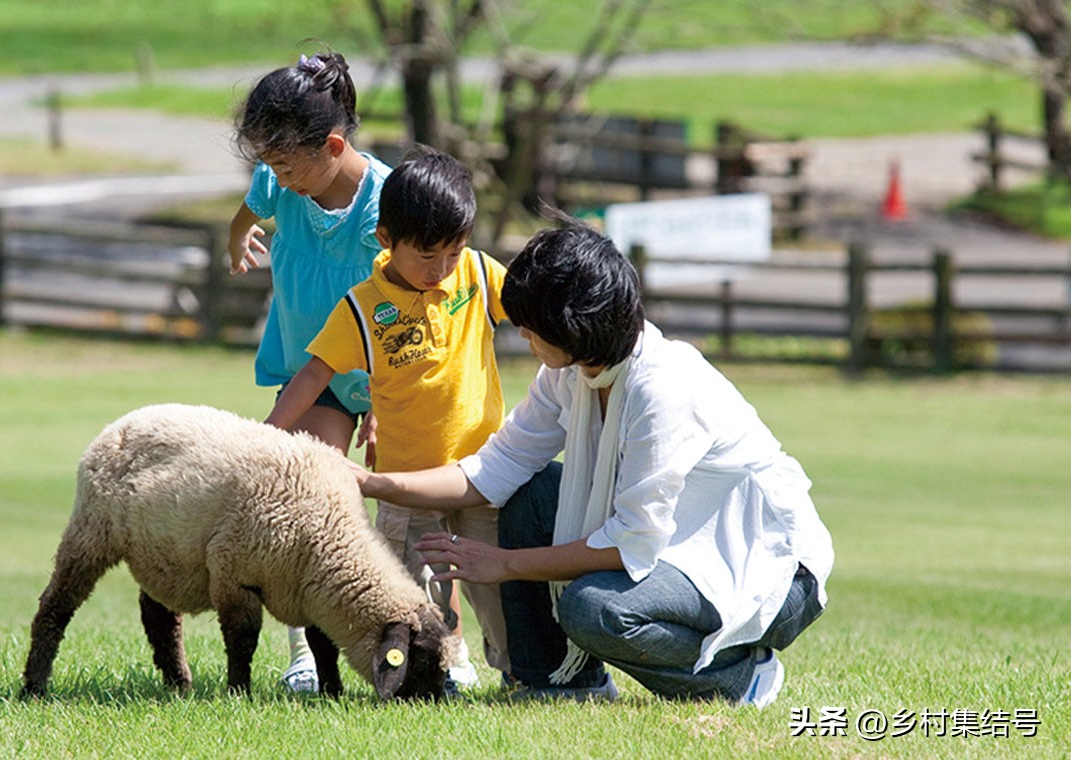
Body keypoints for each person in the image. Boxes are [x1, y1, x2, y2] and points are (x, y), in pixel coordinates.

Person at [349, 219, 834, 706]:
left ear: (574, 328)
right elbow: (493, 469)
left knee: (594, 610)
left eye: (532, 327)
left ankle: (737, 676)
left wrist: (505, 564)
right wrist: (376, 484)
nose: (523, 336)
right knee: (528, 491)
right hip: (681, 548)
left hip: (771, 570)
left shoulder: (661, 388)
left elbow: (630, 543)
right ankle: (554, 684)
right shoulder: (574, 373)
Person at [266, 149, 511, 691]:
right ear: (384, 239)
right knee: (408, 589)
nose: (441, 268)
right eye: (427, 255)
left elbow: (530, 306)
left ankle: (519, 671)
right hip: (404, 485)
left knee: (495, 587)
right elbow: (314, 373)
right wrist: (268, 434)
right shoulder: (362, 307)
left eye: (453, 250)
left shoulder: (475, 273)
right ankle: (438, 668)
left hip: (483, 474)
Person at [228, 50, 390, 694]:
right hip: (309, 373)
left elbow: (407, 305)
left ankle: (441, 644)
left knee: (408, 516)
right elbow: (250, 207)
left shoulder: (387, 204)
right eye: (267, 164)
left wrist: (385, 399)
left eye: (286, 163)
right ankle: (307, 651)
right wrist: (236, 236)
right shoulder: (283, 183)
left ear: (330, 145)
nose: (277, 177)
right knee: (307, 502)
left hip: (386, 376)